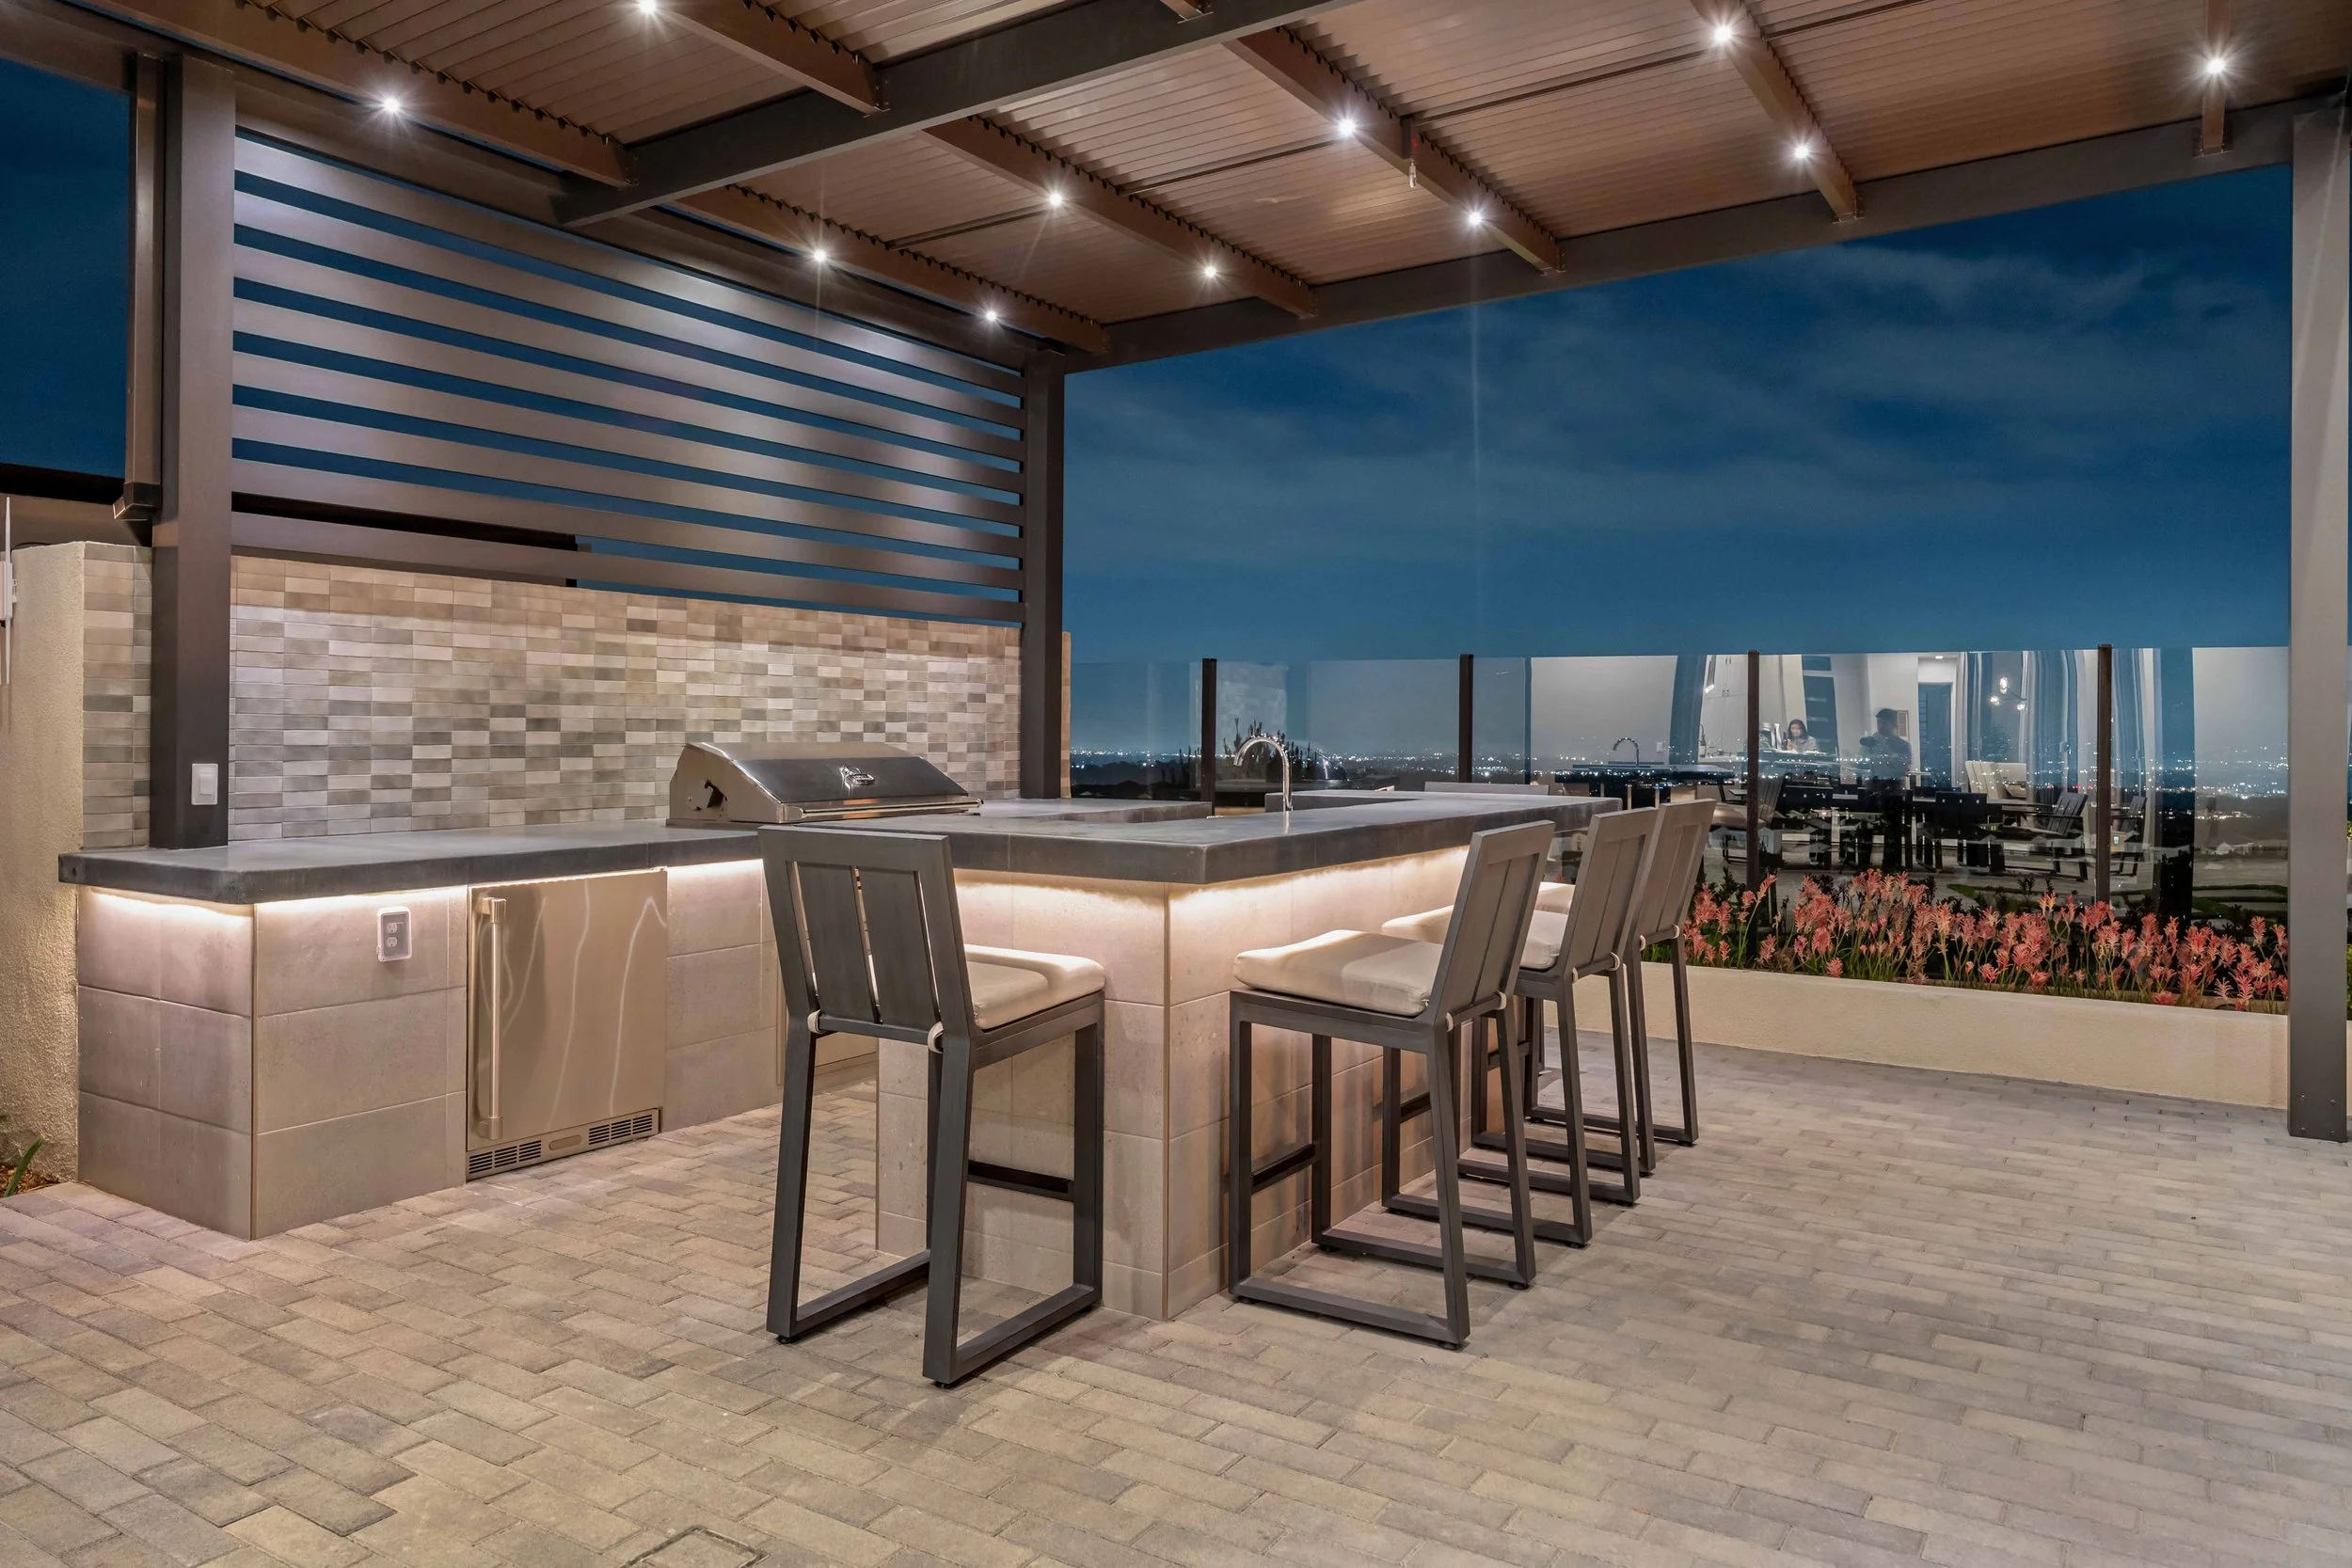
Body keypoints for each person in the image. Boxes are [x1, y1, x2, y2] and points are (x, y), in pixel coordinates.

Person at [1857, 707, 1913, 781]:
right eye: (1879, 722)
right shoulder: (1872, 742)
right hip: (1872, 785)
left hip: (1893, 785)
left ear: (1893, 725)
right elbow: (1861, 762)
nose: (1881, 726)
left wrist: (1883, 745)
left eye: (1884, 723)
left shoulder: (1903, 745)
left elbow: (1903, 768)